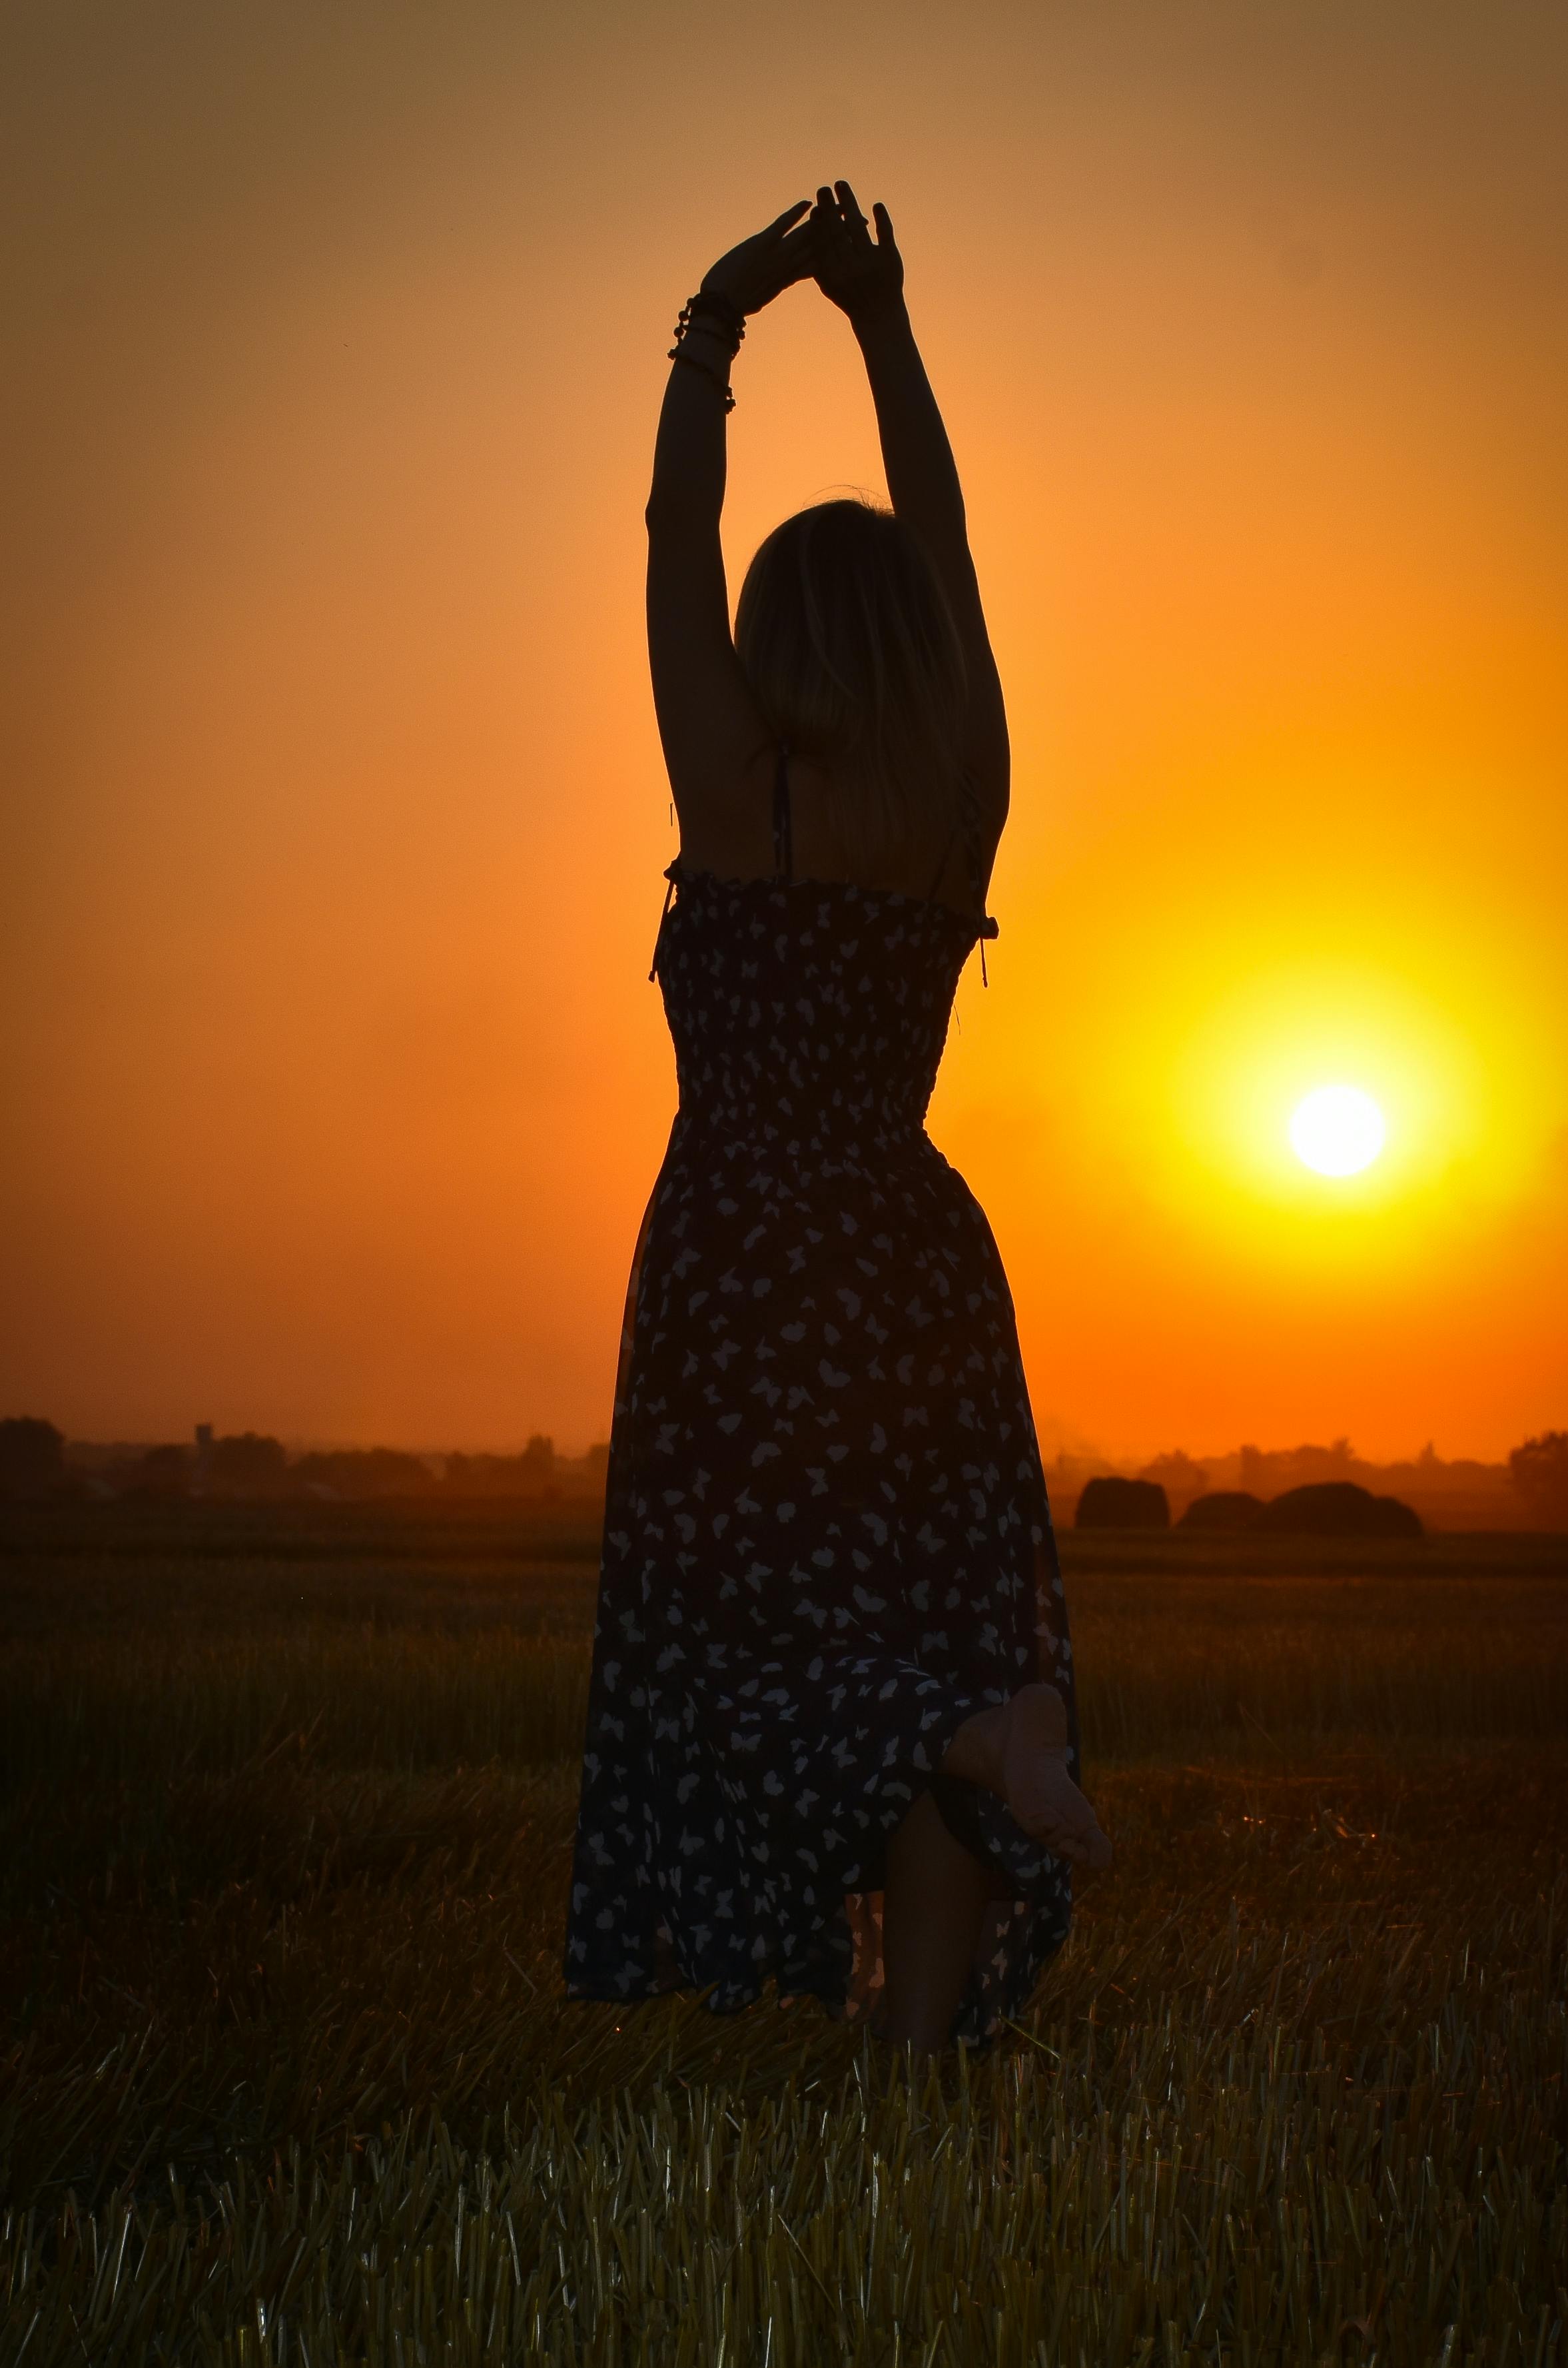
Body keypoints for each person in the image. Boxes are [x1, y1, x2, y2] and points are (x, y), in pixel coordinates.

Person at [566, 185, 1109, 2056]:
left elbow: (671, 532)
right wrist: (880, 323)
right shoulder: (965, 788)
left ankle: (966, 1739)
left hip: (743, 1270)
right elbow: (947, 540)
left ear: (777, 639)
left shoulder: (737, 798)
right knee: (934, 1626)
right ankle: (914, 2066)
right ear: (912, 646)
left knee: (752, 1661)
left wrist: (717, 325)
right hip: (915, 1254)